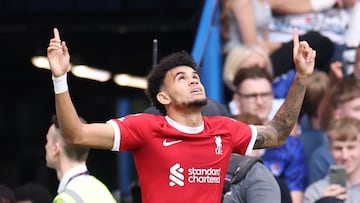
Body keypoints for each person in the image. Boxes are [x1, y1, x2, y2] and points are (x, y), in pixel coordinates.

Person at [46, 27, 315, 202]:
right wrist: (60, 78)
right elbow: (75, 134)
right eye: (181, 78)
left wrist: (302, 77)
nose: (194, 80)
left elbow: (278, 133)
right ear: (163, 97)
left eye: (196, 76)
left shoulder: (225, 128)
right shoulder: (145, 128)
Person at [230, 66, 306, 203]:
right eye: (252, 96)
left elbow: (295, 198)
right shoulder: (225, 138)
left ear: (272, 96)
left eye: (265, 94)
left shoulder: (290, 146)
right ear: (237, 100)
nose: (260, 102)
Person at [45, 115, 116, 203]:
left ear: (56, 149)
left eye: (47, 141)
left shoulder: (64, 199)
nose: (45, 146)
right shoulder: (102, 190)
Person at [307, 78, 360, 185]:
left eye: (351, 147)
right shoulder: (323, 157)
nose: (345, 155)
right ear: (338, 114)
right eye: (358, 109)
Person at [304, 117, 360, 203]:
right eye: (338, 148)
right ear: (329, 150)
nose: (345, 156)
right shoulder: (315, 192)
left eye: (351, 148)